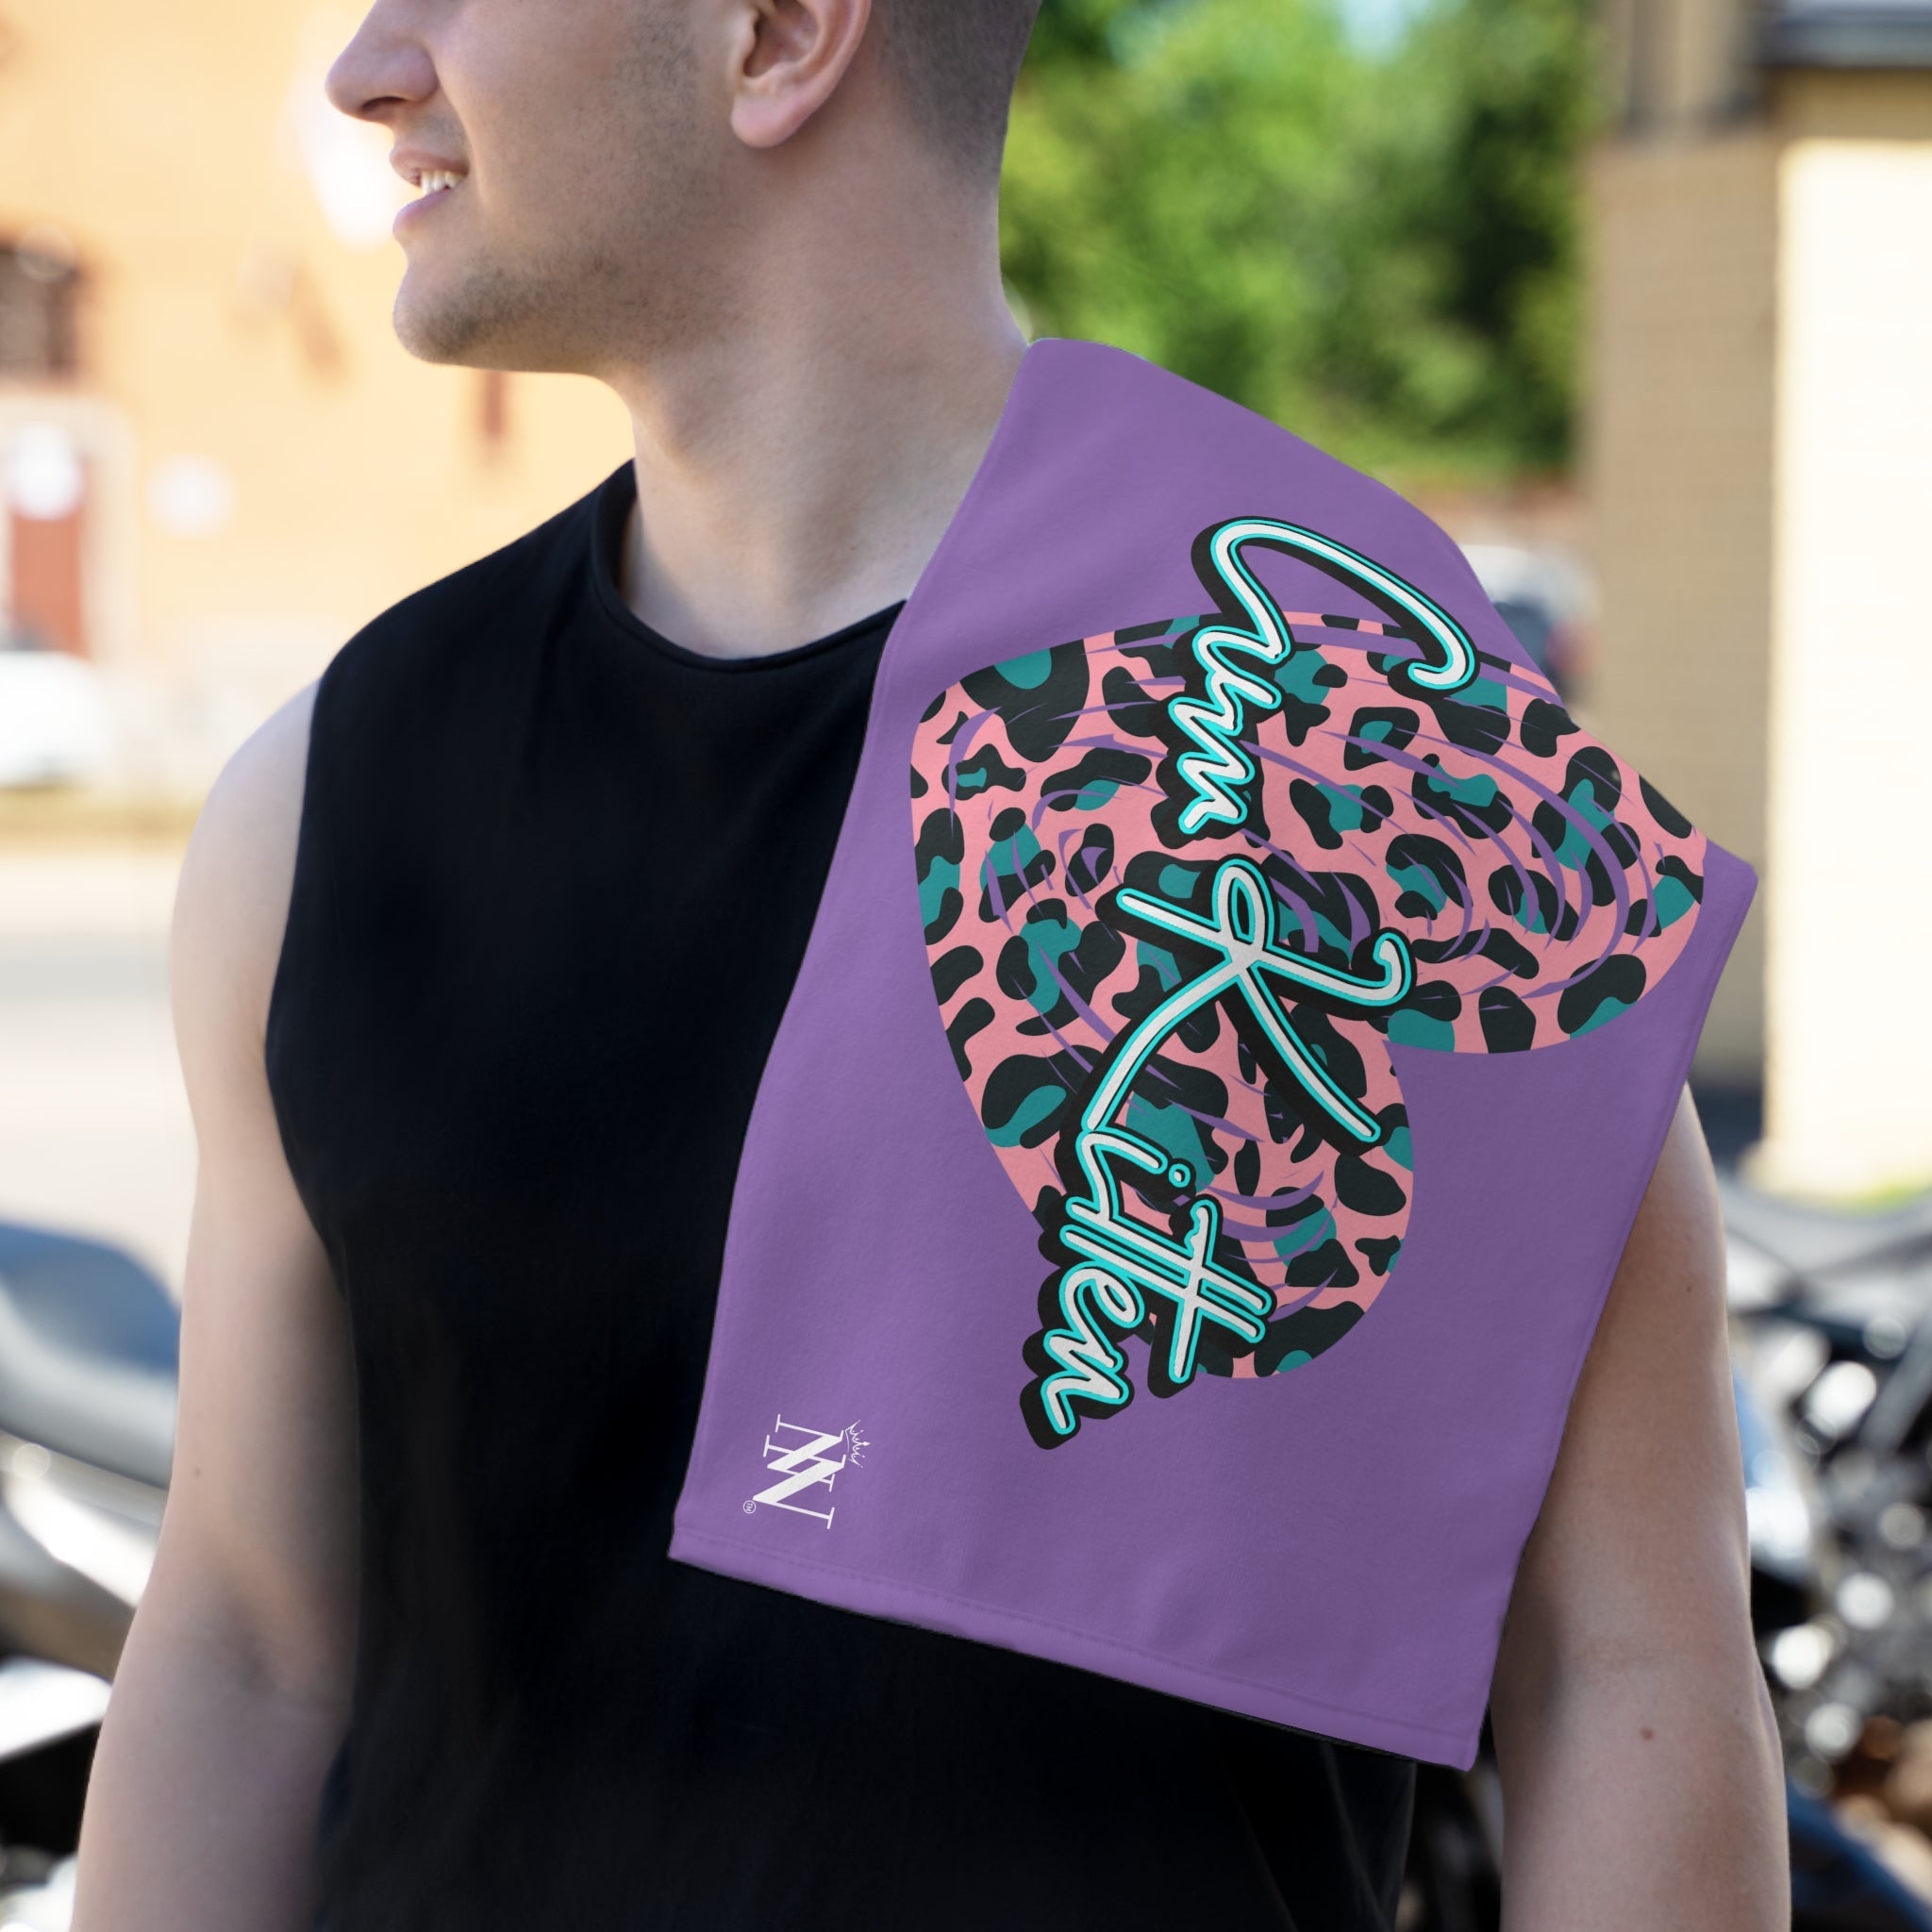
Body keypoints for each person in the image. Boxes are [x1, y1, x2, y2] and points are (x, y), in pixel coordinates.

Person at [71, 0, 1789, 1926]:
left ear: (779, 35)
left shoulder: (1342, 704)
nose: (371, 65)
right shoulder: (329, 798)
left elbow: (1621, 1669)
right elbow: (244, 1648)